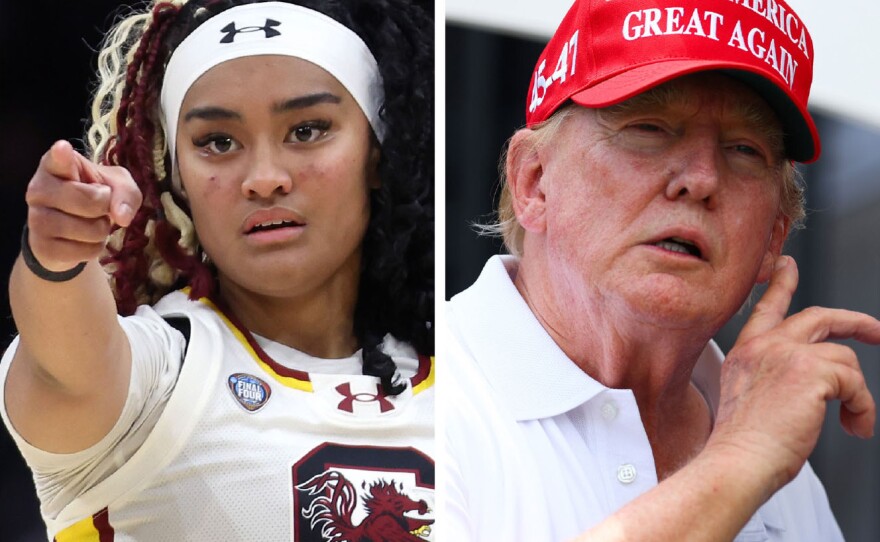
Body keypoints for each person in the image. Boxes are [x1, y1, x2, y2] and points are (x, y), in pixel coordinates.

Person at [441, 0, 880, 540]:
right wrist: (736, 464)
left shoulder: (778, 466)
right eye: (648, 127)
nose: (699, 178)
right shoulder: (413, 397)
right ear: (533, 181)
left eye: (743, 149)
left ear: (773, 237)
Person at [0, 0, 434, 539]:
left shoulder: (472, 383)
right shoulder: (159, 372)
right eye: (219, 143)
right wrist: (57, 256)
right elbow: (61, 360)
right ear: (176, 175)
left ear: (377, 153)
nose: (265, 178)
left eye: (307, 130)